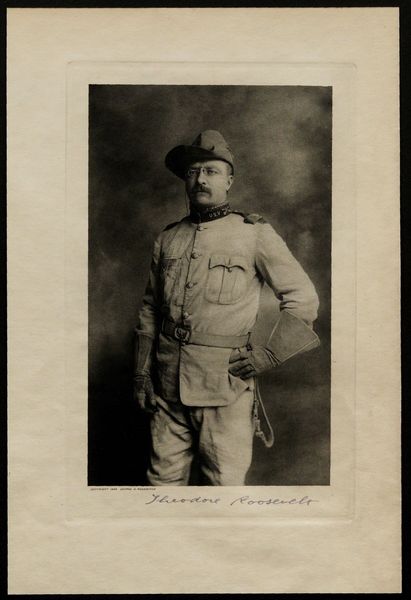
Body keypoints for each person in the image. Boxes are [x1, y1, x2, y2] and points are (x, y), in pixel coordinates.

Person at [134, 130, 320, 486]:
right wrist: (142, 374)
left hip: (225, 389)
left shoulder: (253, 234)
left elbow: (303, 297)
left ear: (229, 180)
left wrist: (270, 355)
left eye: (211, 171)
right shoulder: (168, 237)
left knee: (224, 491)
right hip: (167, 387)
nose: (200, 179)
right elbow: (150, 310)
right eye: (192, 172)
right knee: (160, 488)